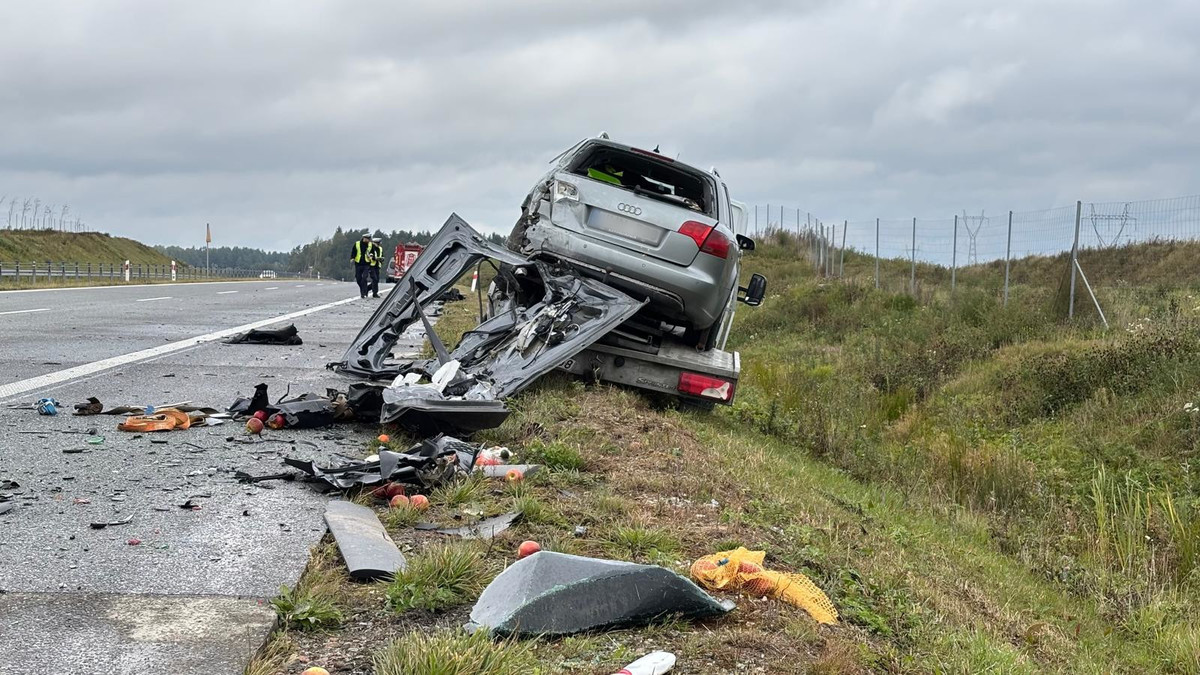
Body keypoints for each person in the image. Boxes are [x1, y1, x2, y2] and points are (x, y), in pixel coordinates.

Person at [350, 233, 373, 298]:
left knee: (364, 278)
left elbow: (373, 252)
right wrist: (352, 258)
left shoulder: (370, 245)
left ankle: (363, 293)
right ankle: (364, 290)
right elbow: (353, 252)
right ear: (364, 238)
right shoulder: (357, 244)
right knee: (358, 279)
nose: (368, 240)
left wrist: (371, 256)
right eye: (367, 239)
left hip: (366, 264)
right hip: (358, 263)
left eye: (369, 239)